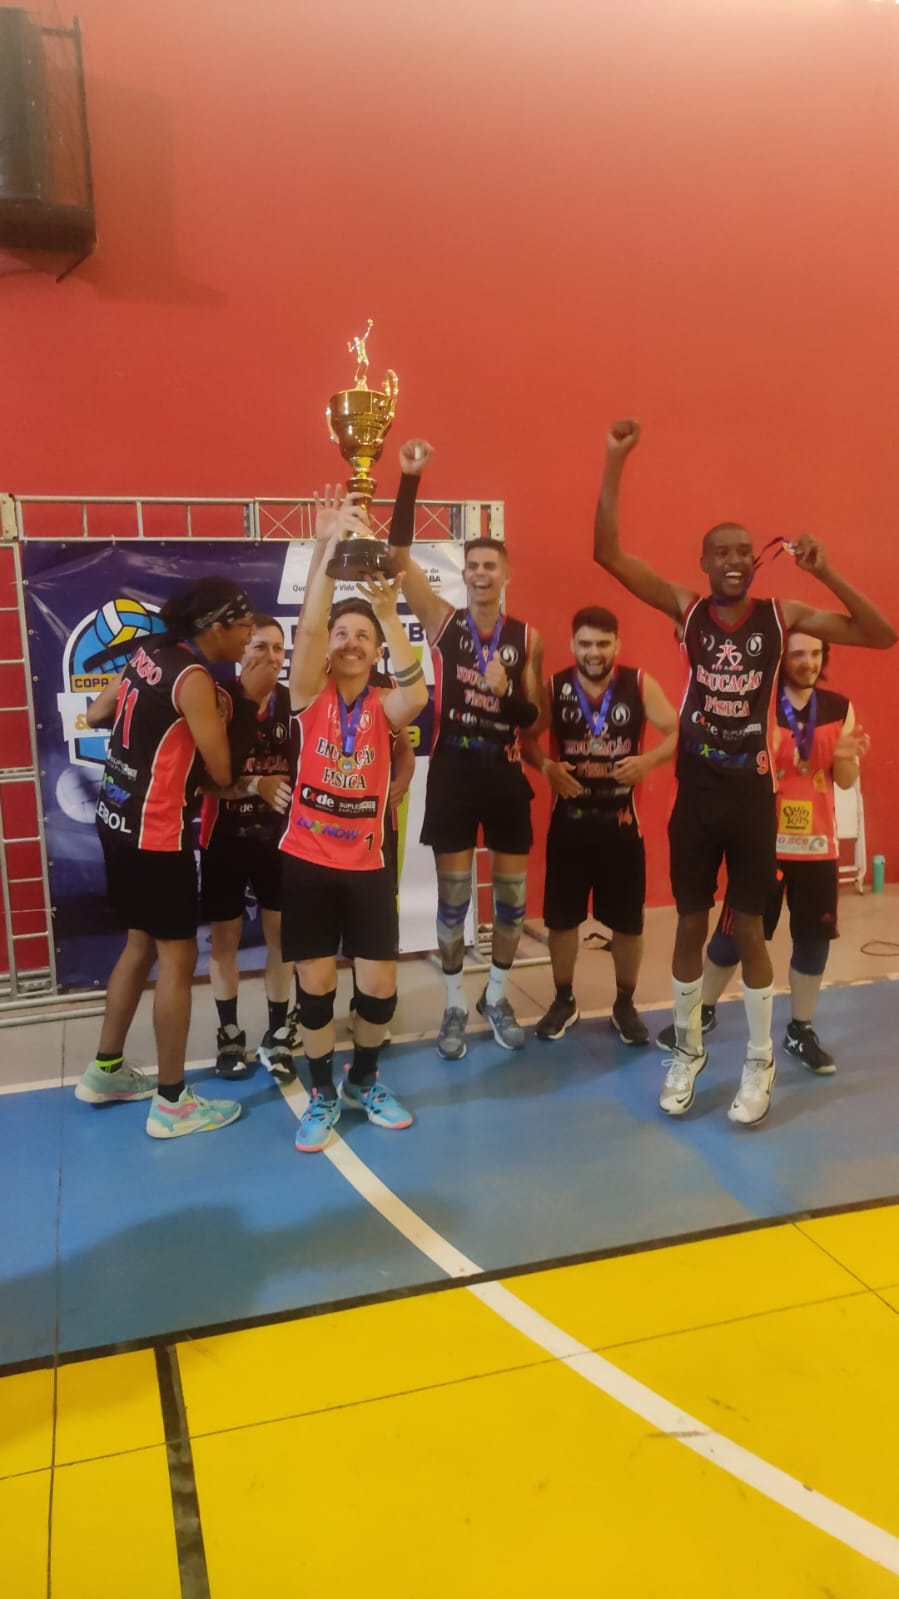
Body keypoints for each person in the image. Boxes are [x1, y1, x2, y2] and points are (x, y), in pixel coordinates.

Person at [594, 419, 896, 1127]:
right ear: (703, 561)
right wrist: (614, 459)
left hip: (752, 795)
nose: (734, 560)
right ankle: (688, 1050)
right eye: (721, 551)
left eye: (742, 551)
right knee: (688, 925)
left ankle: (759, 1059)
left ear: (755, 561)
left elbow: (881, 634)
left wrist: (825, 571)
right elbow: (606, 552)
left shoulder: (783, 616)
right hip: (697, 791)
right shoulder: (687, 607)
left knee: (753, 931)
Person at [75, 578, 264, 1138]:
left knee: (139, 943)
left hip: (115, 821)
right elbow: (222, 773)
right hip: (156, 835)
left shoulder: (148, 650)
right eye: (244, 625)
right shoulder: (194, 678)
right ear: (216, 627)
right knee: (177, 960)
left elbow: (98, 713)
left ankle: (106, 1070)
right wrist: (245, 702)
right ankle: (173, 1102)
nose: (250, 635)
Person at [282, 495, 429, 1152]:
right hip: (307, 862)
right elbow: (310, 632)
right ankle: (320, 1092)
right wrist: (324, 553)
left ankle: (362, 1080)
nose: (347, 641)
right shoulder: (306, 696)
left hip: (368, 864)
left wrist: (388, 614)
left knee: (379, 985)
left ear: (373, 654)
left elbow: (417, 692)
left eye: (360, 636)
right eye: (341, 633)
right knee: (314, 986)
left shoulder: (384, 705)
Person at [387, 438, 543, 1060]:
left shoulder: (528, 637)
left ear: (506, 575)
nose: (480, 574)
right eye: (472, 566)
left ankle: (496, 996)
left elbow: (533, 719)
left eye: (490, 566)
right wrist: (409, 480)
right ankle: (454, 1003)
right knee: (453, 902)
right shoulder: (444, 622)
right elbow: (398, 560)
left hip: (503, 772)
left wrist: (507, 694)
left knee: (511, 902)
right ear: (464, 574)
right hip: (452, 769)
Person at [656, 633, 869, 1073]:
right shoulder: (760, 704)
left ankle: (800, 1029)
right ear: (780, 657)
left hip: (818, 847)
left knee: (813, 939)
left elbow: (845, 779)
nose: (808, 662)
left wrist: (848, 756)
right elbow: (755, 759)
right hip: (762, 841)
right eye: (799, 654)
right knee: (734, 935)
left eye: (816, 653)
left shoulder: (839, 707)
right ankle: (702, 1012)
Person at [521, 605, 678, 1044]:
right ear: (572, 645)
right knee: (562, 921)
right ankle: (564, 999)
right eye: (585, 643)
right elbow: (527, 737)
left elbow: (679, 730)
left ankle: (624, 1004)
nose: (594, 652)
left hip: (622, 826)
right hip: (569, 825)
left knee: (628, 924)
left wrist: (649, 761)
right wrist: (547, 767)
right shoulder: (555, 687)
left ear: (617, 645)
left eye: (603, 643)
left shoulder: (638, 684)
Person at [200, 615, 296, 1082]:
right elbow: (203, 781)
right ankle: (230, 1033)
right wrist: (257, 784)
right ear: (242, 652)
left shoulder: (294, 703)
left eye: (278, 648)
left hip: (278, 839)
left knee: (282, 937)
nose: (271, 657)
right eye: (260, 646)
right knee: (226, 939)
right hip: (225, 836)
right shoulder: (218, 701)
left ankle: (278, 1033)